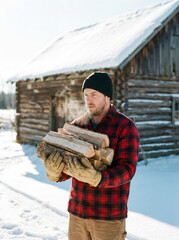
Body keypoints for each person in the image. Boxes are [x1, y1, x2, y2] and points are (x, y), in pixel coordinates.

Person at [43, 72, 139, 240]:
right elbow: (68, 166)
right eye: (86, 94)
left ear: (107, 96)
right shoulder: (77, 126)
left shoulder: (125, 126)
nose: (88, 99)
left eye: (94, 94)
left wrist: (98, 178)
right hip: (77, 213)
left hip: (107, 216)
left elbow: (127, 169)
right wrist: (54, 172)